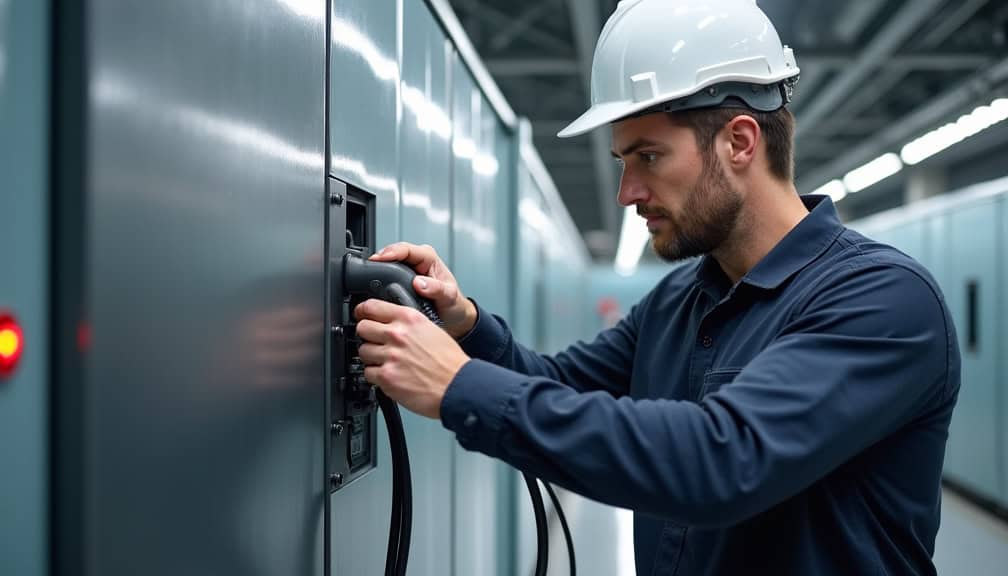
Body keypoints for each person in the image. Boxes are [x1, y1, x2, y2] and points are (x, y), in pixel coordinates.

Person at [352, 0, 961, 573]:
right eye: (623, 163)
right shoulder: (680, 300)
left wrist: (457, 387)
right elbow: (555, 384)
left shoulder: (882, 300)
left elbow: (722, 463)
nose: (627, 193)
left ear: (740, 142)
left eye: (648, 157)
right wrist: (465, 324)